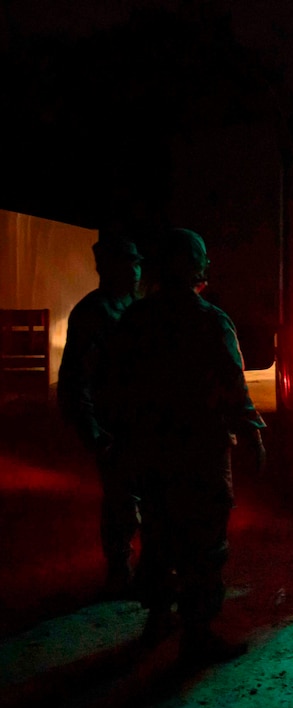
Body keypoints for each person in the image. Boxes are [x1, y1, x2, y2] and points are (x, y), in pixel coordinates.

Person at [111, 227, 266, 666]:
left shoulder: (134, 319)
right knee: (204, 541)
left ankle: (157, 618)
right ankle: (197, 634)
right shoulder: (210, 319)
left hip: (150, 450)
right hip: (201, 451)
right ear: (196, 267)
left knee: (158, 532)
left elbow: (115, 385)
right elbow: (234, 387)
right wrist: (252, 433)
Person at [57, 233, 144, 598]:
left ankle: (134, 572)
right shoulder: (94, 313)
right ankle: (119, 573)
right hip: (116, 426)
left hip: (140, 424)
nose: (137, 270)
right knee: (121, 503)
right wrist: (93, 432)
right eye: (131, 263)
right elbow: (76, 379)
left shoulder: (132, 306)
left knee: (138, 500)